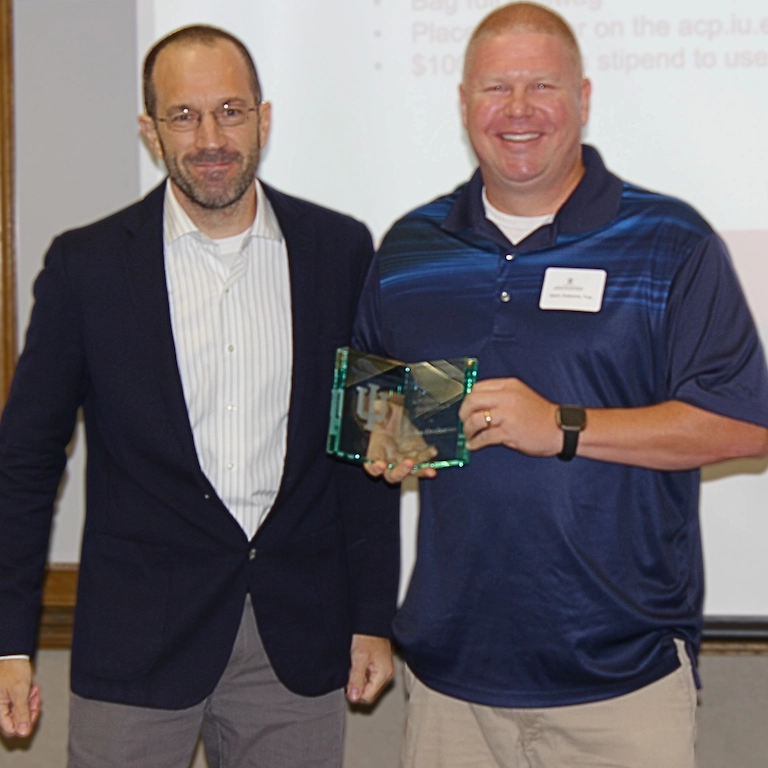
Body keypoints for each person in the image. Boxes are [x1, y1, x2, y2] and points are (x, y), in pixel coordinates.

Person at [353, 3, 768, 766]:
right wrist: (394, 445)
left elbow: (744, 422)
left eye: (541, 85)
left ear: (583, 97)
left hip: (621, 683)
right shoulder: (410, 248)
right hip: (450, 685)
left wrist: (564, 426)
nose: (517, 110)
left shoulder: (670, 240)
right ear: (463, 103)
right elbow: (379, 422)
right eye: (495, 88)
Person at [0, 25, 400, 768]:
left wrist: (373, 617)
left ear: (264, 119)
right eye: (184, 116)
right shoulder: (85, 268)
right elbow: (23, 464)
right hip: (135, 644)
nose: (211, 137)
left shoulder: (341, 252)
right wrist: (6, 639)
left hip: (297, 643)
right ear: (150, 133)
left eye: (230, 110)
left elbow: (367, 444)